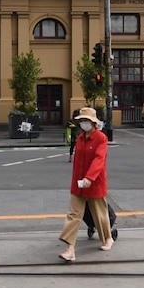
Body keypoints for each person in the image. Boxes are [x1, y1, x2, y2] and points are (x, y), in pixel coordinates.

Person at [58, 107, 113, 262]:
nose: (83, 123)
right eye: (81, 121)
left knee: (100, 213)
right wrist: (79, 180)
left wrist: (90, 177)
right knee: (73, 214)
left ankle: (107, 238)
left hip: (94, 182)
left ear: (93, 122)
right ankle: (70, 248)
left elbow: (99, 159)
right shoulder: (80, 138)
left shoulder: (101, 138)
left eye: (86, 121)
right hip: (79, 183)